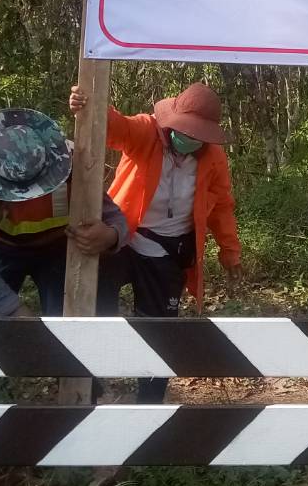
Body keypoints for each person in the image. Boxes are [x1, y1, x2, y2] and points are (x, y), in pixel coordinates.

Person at [70, 81, 242, 403]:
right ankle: (90, 389)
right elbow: (115, 127)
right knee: (95, 312)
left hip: (169, 253)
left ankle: (149, 405)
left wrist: (230, 251)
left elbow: (222, 206)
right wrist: (89, 104)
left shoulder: (213, 158)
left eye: (197, 134)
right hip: (121, 240)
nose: (189, 138)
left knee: (160, 332)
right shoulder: (146, 132)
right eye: (185, 130)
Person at [0, 108, 127, 318]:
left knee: (63, 322)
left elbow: (115, 218)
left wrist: (111, 236)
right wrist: (10, 308)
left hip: (57, 251)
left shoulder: (72, 163)